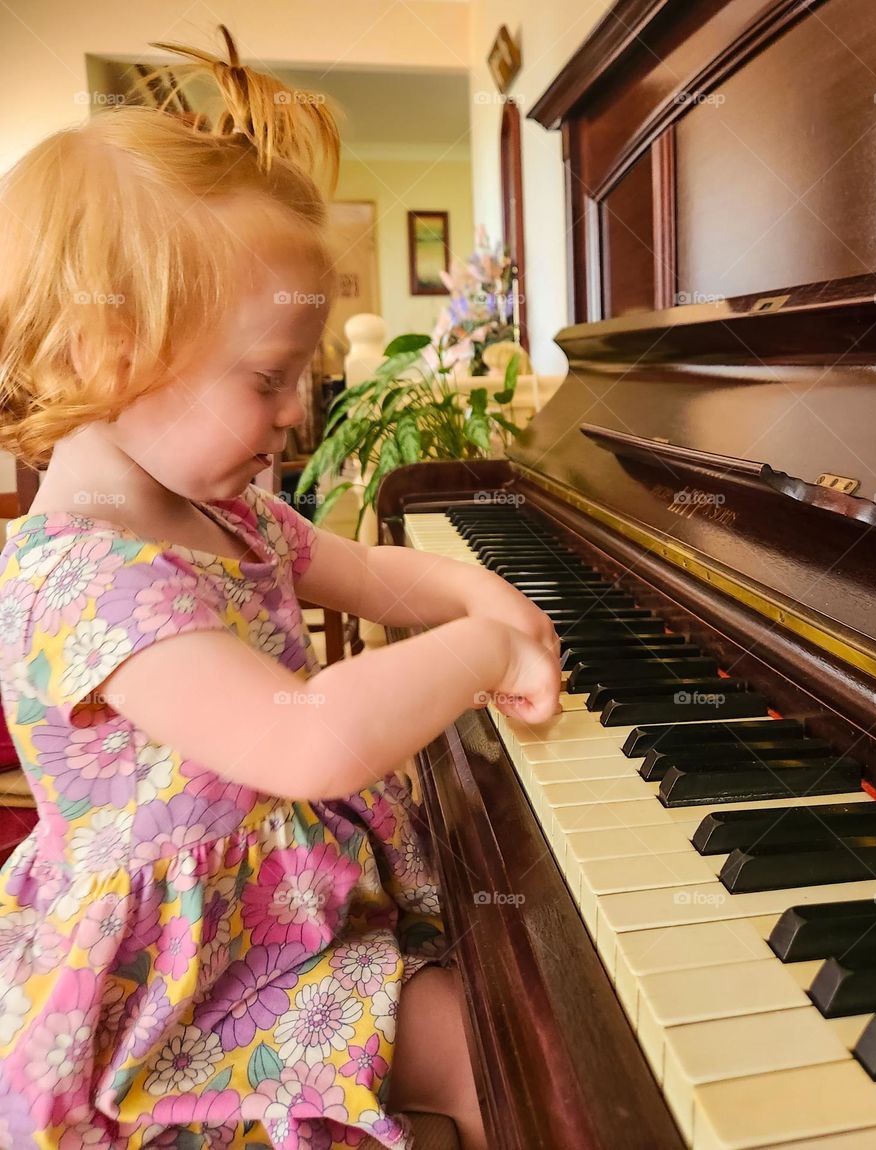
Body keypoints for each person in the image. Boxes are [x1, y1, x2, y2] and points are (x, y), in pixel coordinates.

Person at [0, 26, 561, 1150]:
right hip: (190, 996)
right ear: (115, 355)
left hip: (281, 924)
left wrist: (479, 594)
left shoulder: (228, 509)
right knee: (503, 1044)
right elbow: (304, 740)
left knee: (511, 993)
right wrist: (481, 655)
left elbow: (373, 571)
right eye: (269, 379)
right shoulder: (87, 580)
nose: (298, 412)